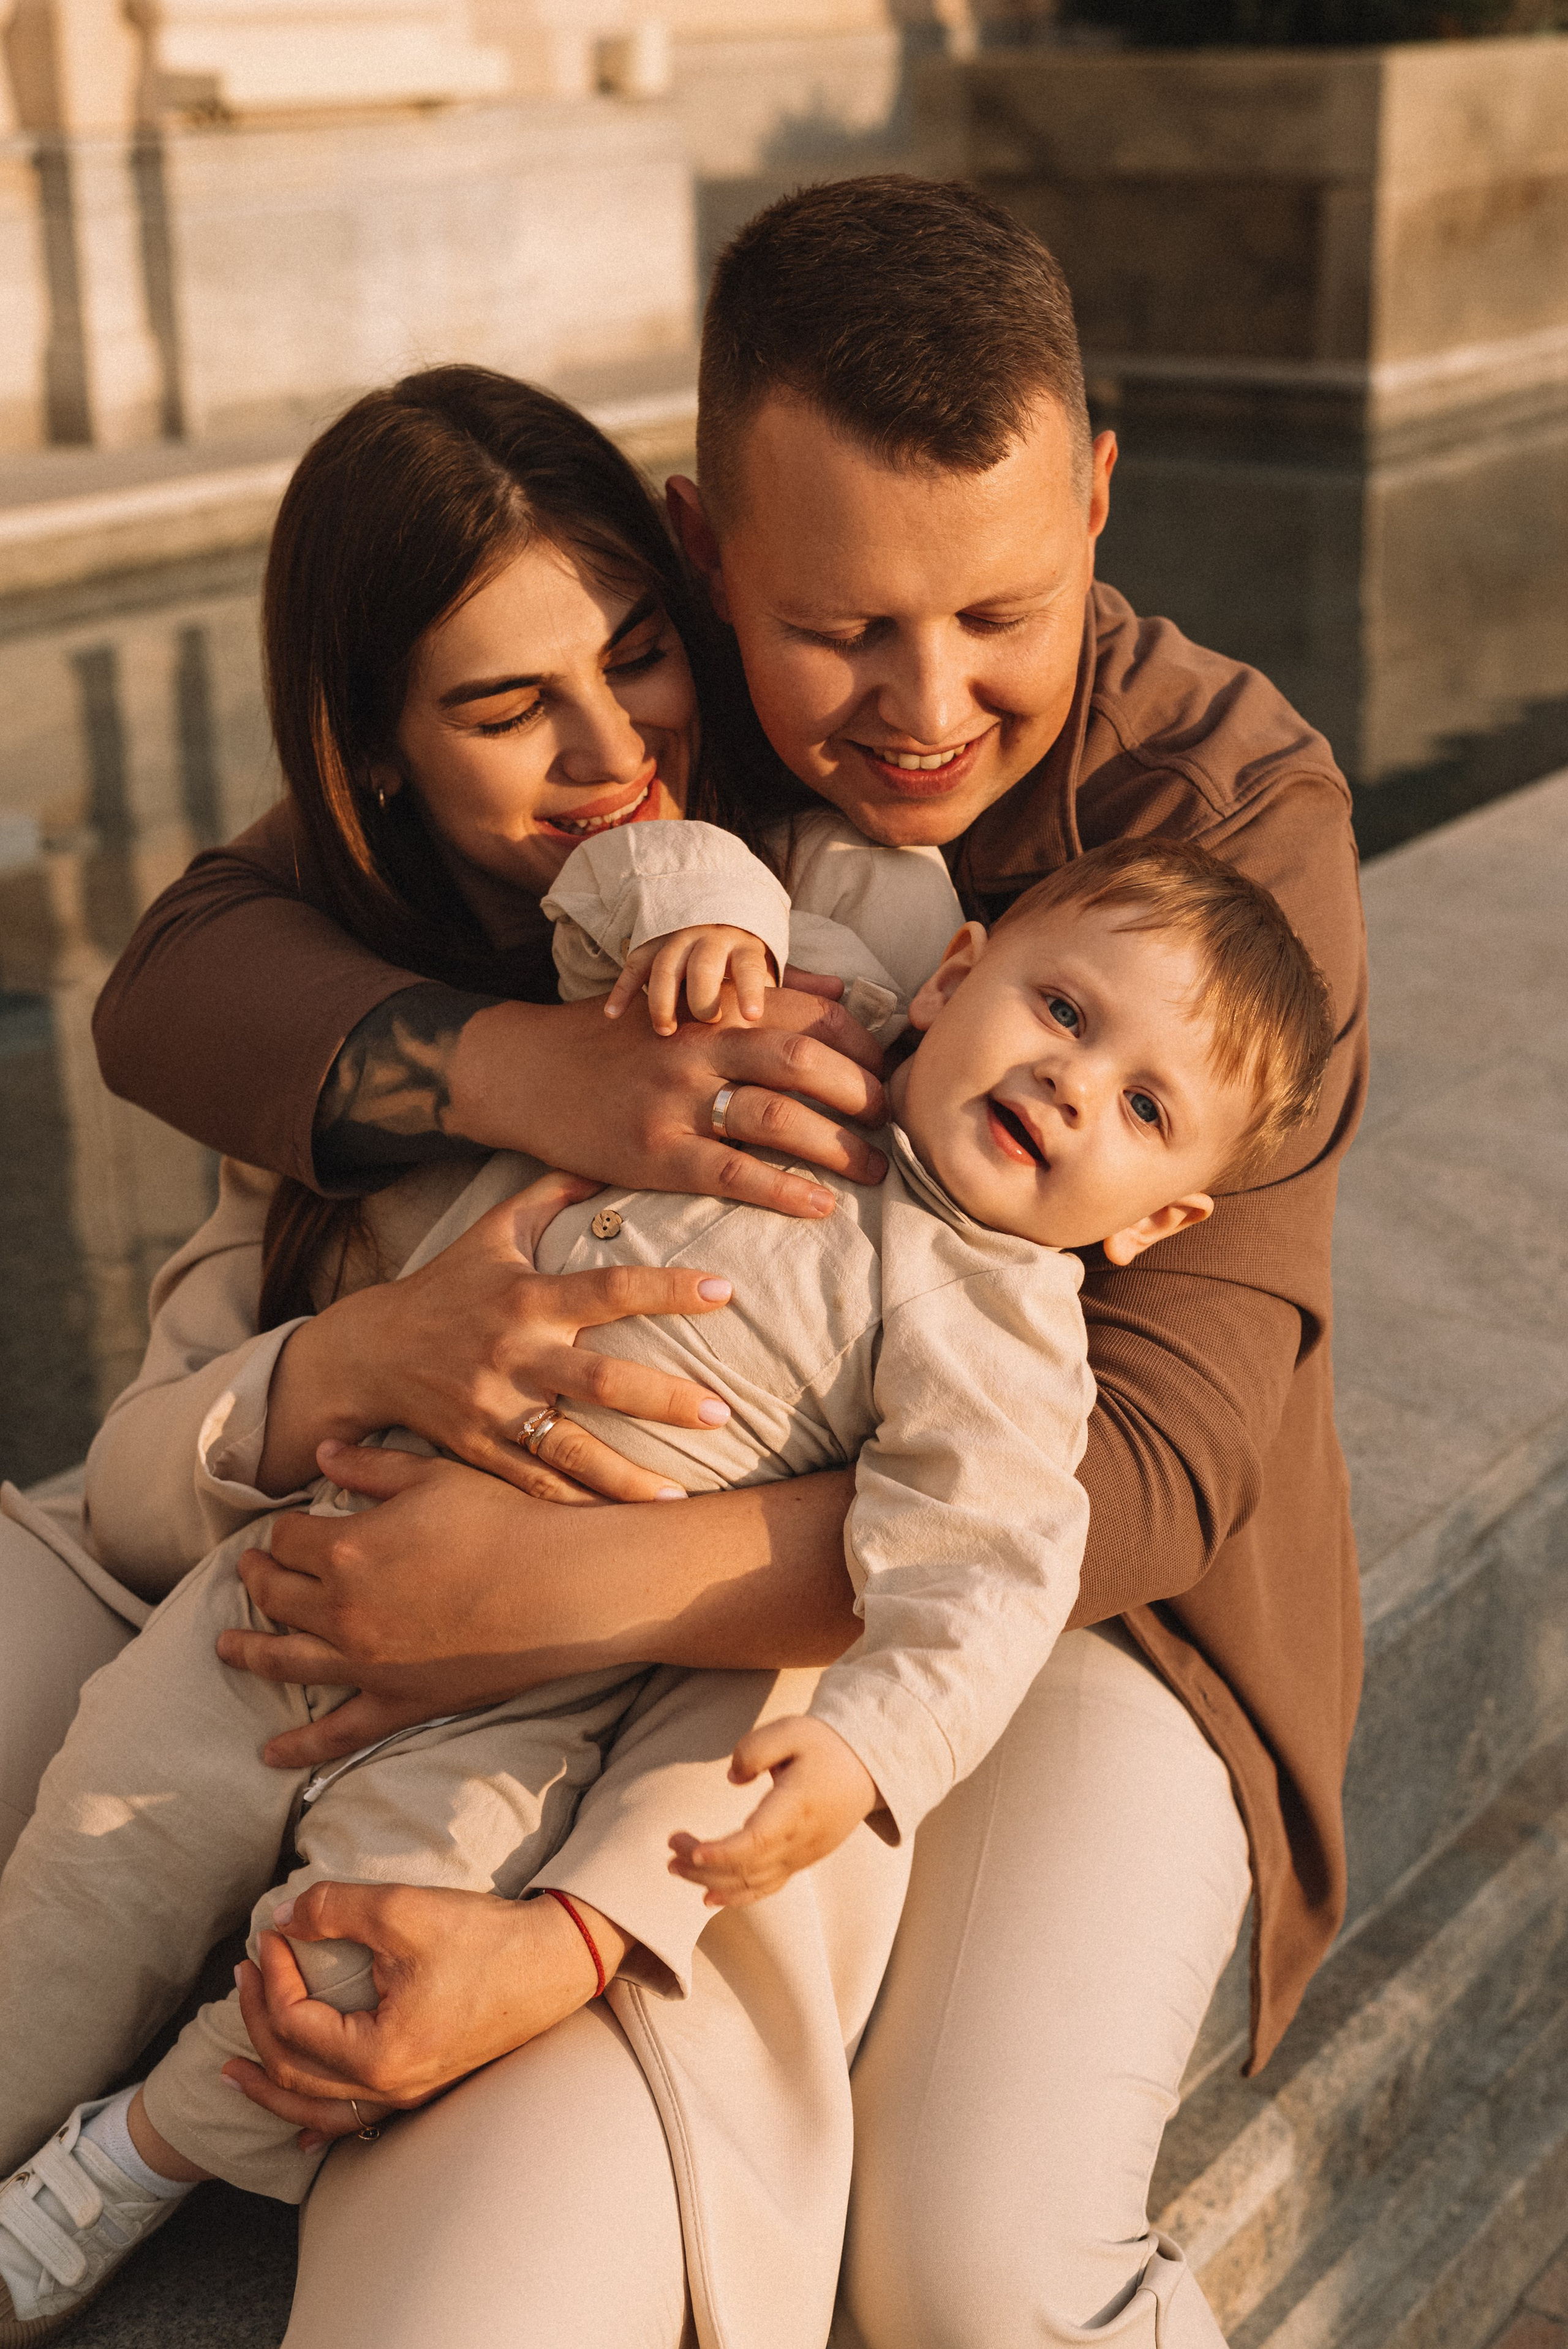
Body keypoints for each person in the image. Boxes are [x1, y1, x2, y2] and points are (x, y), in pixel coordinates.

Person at [21, 175, 1368, 2347]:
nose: (926, 707)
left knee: (983, 2261)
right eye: (840, 627)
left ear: (1105, 494)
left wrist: (542, 1585)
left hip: (1088, 1612)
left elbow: (1153, 1462)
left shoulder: (1231, 807)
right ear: (711, 544)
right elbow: (180, 976)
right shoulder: (662, 696)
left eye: (1004, 611)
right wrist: (541, 1073)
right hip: (554, 1518)